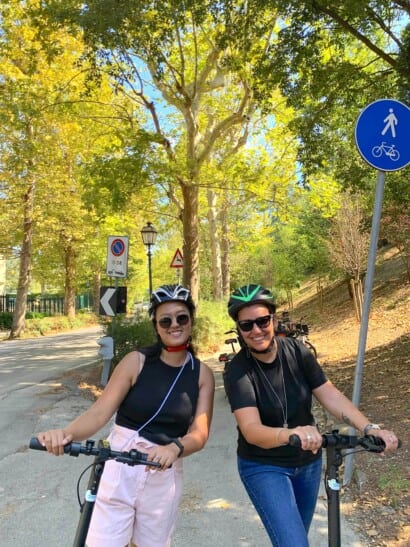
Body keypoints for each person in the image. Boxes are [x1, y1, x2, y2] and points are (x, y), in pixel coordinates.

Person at [37, 284, 215, 547]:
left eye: (181, 317)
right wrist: (65, 434)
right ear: (156, 325)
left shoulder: (201, 374)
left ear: (191, 321)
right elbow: (99, 412)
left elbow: (199, 434)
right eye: (165, 320)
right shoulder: (136, 361)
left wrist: (175, 448)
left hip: (163, 471)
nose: (174, 325)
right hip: (120, 463)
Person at [224, 284, 399, 547]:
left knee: (295, 540)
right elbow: (251, 429)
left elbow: (329, 394)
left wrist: (369, 427)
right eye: (247, 325)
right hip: (264, 466)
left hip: (307, 462)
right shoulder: (238, 371)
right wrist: (290, 434)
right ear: (239, 329)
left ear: (273, 319)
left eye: (262, 321)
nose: (256, 330)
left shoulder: (296, 351)